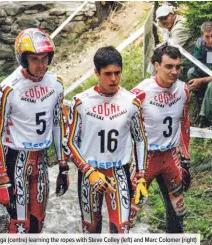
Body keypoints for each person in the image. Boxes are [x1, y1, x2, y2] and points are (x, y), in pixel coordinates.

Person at [0, 28, 69, 233]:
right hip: (15, 159)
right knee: (19, 224)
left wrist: (63, 165)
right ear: (23, 59)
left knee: (37, 222)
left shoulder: (56, 84)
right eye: (34, 59)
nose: (41, 65)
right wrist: (2, 180)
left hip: (41, 159)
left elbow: (58, 123)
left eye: (45, 58)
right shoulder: (8, 89)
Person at [65, 46, 148, 233]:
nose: (113, 79)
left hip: (119, 172)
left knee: (121, 230)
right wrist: (88, 171)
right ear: (96, 72)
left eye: (117, 73)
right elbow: (69, 142)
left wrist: (141, 175)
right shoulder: (80, 102)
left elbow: (140, 138)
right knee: (90, 230)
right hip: (90, 174)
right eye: (107, 73)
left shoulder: (132, 101)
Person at [129, 45, 191, 233]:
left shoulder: (183, 90)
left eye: (178, 67)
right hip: (146, 159)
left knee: (178, 210)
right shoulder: (140, 92)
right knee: (129, 212)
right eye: (169, 66)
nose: (174, 72)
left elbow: (184, 123)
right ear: (156, 65)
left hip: (170, 156)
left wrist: (186, 158)